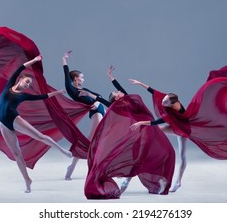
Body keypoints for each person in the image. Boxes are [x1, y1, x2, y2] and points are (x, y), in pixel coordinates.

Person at [81, 66, 174, 198]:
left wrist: (111, 77)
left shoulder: (128, 99)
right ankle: (152, 180)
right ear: (117, 99)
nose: (118, 91)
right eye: (116, 92)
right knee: (147, 155)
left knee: (167, 152)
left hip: (148, 127)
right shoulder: (119, 107)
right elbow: (102, 100)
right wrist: (89, 95)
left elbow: (121, 89)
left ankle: (159, 180)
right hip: (143, 131)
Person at [0, 55, 72, 193]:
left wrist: (58, 92)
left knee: (40, 136)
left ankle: (62, 150)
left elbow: (42, 96)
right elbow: (21, 67)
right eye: (26, 81)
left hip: (14, 119)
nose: (27, 85)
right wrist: (35, 60)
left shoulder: (23, 95)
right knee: (17, 153)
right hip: (3, 123)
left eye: (29, 84)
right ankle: (27, 180)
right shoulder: (10, 84)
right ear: (20, 79)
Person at [128, 79, 187, 193]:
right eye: (164, 99)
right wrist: (139, 83)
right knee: (155, 131)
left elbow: (154, 122)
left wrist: (140, 123)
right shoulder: (168, 98)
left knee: (182, 156)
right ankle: (150, 150)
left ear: (172, 104)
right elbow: (152, 91)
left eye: (165, 102)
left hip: (183, 129)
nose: (163, 102)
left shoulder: (174, 111)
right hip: (174, 125)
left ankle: (178, 181)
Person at [62, 50, 105, 180]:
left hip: (102, 111)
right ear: (76, 78)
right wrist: (64, 60)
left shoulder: (84, 90)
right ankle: (78, 167)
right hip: (97, 114)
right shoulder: (72, 90)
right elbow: (65, 74)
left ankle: (77, 167)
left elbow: (100, 97)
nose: (83, 79)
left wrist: (93, 99)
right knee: (90, 142)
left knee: (96, 141)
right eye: (82, 77)